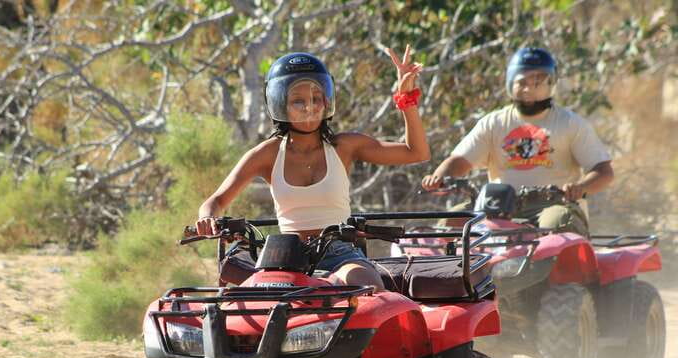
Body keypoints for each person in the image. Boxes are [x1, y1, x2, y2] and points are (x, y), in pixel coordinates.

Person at [196, 46, 430, 288]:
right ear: (280, 104)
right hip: (286, 257)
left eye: (316, 99)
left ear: (326, 101)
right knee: (243, 303)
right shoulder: (267, 153)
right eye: (298, 101)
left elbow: (417, 152)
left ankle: (337, 289)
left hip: (341, 253)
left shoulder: (343, 146)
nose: (309, 107)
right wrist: (208, 218)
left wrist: (407, 99)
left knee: (367, 287)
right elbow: (215, 202)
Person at [421, 47, 614, 236]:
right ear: (510, 83)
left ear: (551, 84)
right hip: (498, 206)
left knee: (555, 223)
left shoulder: (571, 123)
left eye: (538, 82)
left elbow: (603, 171)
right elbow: (460, 161)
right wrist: (438, 180)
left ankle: (549, 267)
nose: (529, 89)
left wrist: (580, 188)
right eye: (522, 82)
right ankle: (454, 268)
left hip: (554, 205)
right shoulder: (493, 123)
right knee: (451, 220)